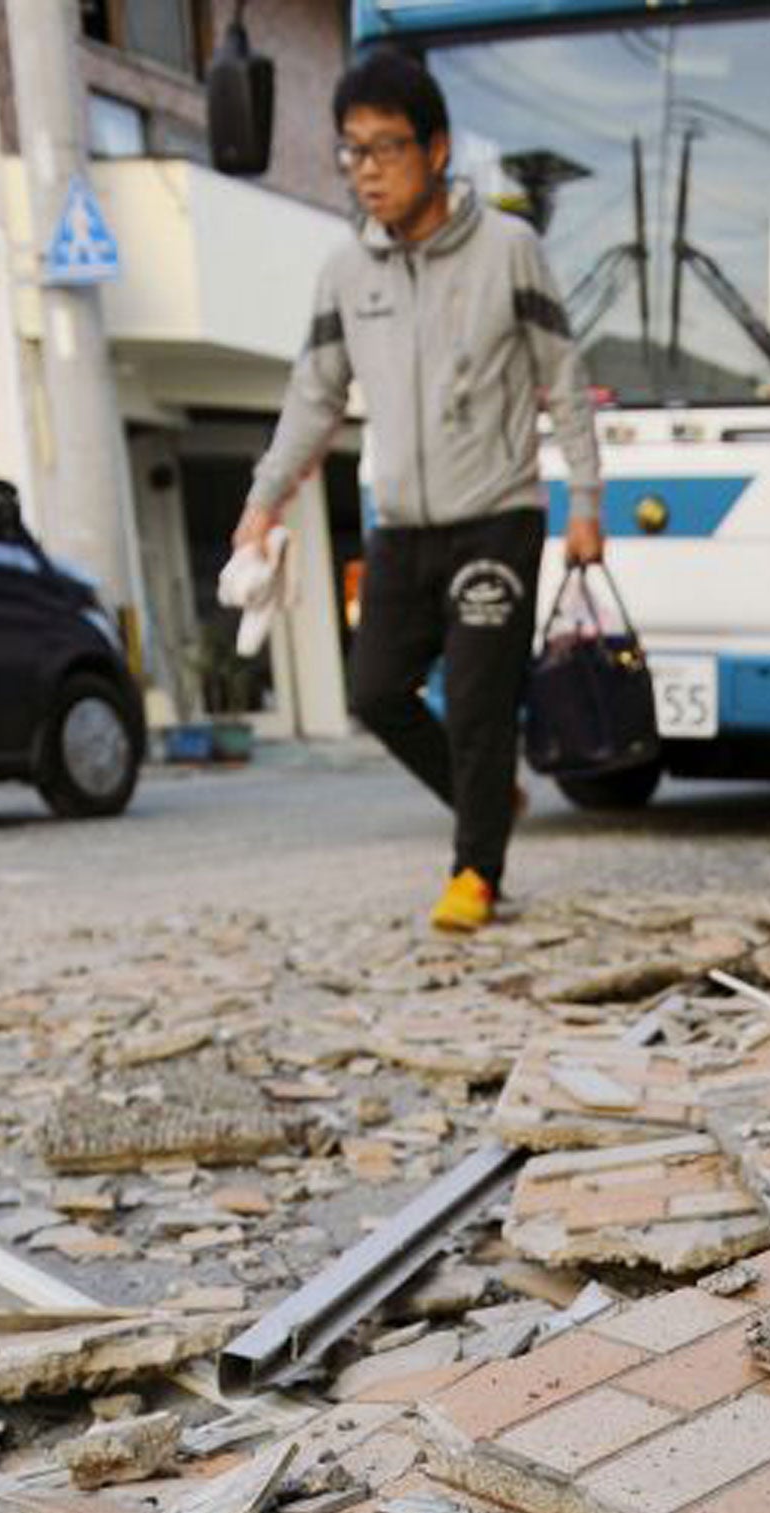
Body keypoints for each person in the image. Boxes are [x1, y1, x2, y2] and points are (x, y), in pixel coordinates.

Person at [233, 50, 603, 933]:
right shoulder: (343, 273)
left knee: (479, 702)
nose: (366, 170)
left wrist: (585, 502)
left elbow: (565, 375)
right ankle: (487, 801)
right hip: (400, 521)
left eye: (385, 149)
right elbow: (314, 393)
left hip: (497, 518)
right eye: (351, 151)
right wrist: (263, 500)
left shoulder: (510, 251)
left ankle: (476, 871)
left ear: (436, 150)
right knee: (376, 693)